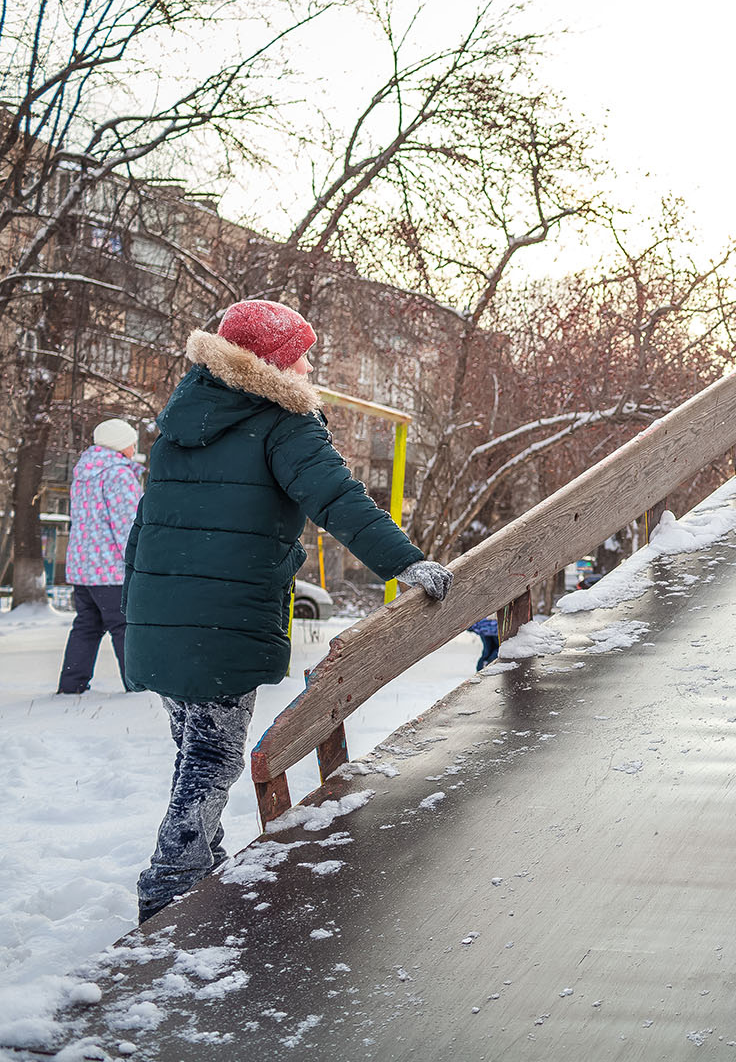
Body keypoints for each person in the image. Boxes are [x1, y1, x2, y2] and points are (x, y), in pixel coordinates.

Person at [122, 299, 454, 924]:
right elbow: (337, 498)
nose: (307, 366)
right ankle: (169, 890)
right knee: (211, 761)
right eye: (299, 354)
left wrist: (133, 608)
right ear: (270, 363)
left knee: (194, 752)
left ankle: (199, 865)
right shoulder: (283, 421)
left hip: (157, 614)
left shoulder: (179, 421)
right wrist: (403, 563)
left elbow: (146, 526)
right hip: (223, 618)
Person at [55, 418, 144, 694]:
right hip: (111, 570)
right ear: (120, 445)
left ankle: (72, 685)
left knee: (86, 626)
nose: (133, 448)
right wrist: (138, 561)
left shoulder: (84, 472)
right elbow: (128, 524)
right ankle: (137, 687)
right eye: (131, 442)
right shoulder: (118, 474)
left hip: (84, 569)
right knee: (125, 627)